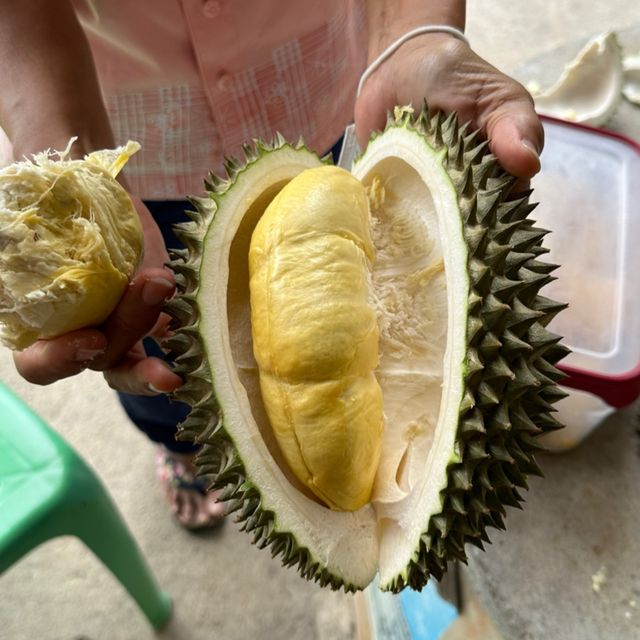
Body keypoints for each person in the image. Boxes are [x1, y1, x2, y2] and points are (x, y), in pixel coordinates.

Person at [0, 0, 543, 528]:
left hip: (335, 93)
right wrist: (62, 143)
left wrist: (414, 30)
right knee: (156, 345)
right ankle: (180, 447)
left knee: (176, 327)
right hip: (141, 153)